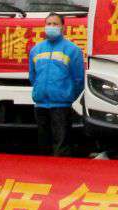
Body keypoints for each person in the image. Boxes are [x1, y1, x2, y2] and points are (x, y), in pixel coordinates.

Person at [29, 16, 87, 156]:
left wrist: (67, 95)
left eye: (55, 24)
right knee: (43, 146)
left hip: (61, 106)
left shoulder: (72, 50)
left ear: (63, 27)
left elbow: (79, 79)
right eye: (49, 23)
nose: (51, 26)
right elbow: (33, 76)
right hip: (41, 105)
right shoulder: (36, 50)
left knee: (61, 147)